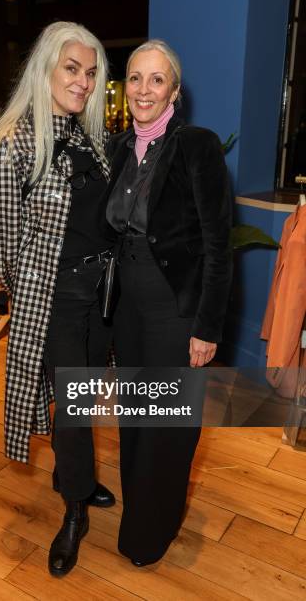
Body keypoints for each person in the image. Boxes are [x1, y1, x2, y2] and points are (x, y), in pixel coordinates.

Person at [0, 21, 117, 578]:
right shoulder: (14, 141)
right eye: (72, 68)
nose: (83, 82)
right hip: (55, 297)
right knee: (73, 405)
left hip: (101, 292)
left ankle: (74, 478)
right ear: (45, 68)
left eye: (92, 72)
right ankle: (74, 508)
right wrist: (23, 281)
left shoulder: (84, 135)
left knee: (86, 394)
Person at [106, 40, 232, 566]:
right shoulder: (116, 148)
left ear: (174, 91)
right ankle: (142, 509)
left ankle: (148, 534)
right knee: (134, 417)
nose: (143, 90)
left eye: (156, 80)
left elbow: (218, 246)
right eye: (135, 78)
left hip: (173, 310)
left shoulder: (196, 146)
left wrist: (206, 327)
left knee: (168, 424)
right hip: (127, 310)